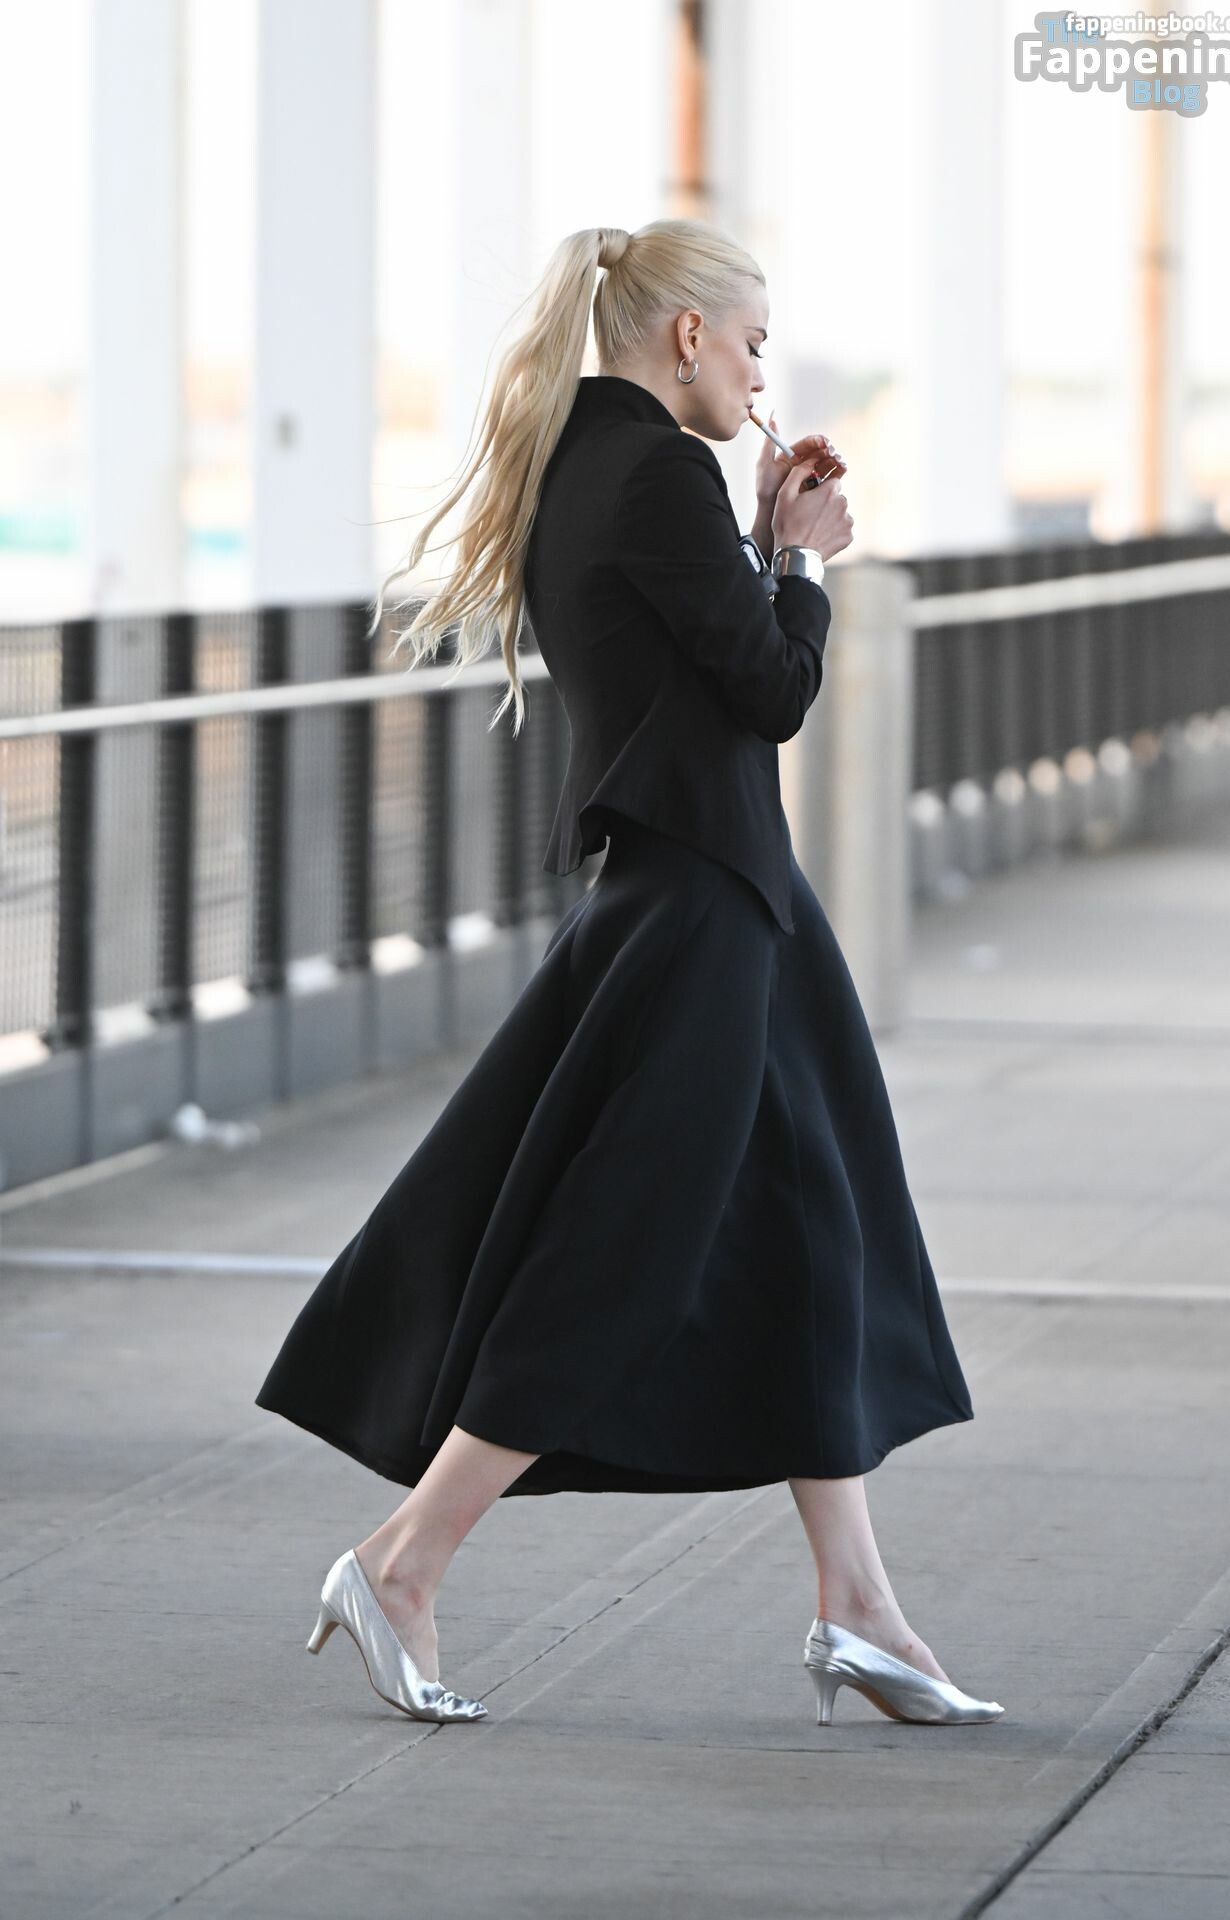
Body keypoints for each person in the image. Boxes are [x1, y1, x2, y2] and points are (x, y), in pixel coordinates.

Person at [255, 218, 1004, 1730]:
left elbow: (698, 673)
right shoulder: (656, 474)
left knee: (815, 1226)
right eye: (753, 346)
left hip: (721, 893)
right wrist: (804, 560)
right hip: (701, 906)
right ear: (687, 336)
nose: (760, 377)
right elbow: (770, 692)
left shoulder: (595, 465)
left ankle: (858, 1605)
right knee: (621, 1248)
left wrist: (763, 542)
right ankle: (403, 1561)